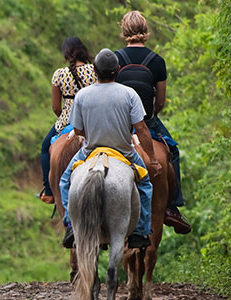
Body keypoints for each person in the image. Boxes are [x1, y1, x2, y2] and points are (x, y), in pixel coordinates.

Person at [59, 48, 162, 249]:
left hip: (90, 151)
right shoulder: (129, 94)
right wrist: (153, 159)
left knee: (64, 181)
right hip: (124, 152)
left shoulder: (82, 95)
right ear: (118, 70)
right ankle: (140, 231)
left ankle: (71, 225)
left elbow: (78, 129)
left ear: (95, 71)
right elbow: (141, 128)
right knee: (145, 184)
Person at [114, 11, 191, 234]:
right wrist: (149, 115)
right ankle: (172, 208)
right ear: (145, 30)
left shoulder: (115, 59)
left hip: (121, 124)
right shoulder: (157, 61)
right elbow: (161, 101)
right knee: (173, 151)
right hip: (147, 121)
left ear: (124, 30)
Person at [39, 37, 97, 204]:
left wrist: (65, 118)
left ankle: (49, 192)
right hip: (91, 122)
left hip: (67, 121)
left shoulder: (59, 74)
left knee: (45, 148)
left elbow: (56, 108)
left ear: (66, 54)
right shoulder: (94, 70)